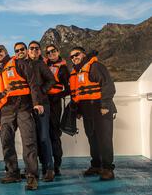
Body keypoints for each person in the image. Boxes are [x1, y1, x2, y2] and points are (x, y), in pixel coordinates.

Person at [0, 43, 43, 190]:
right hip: (5, 112)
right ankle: (12, 173)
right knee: (6, 142)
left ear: (5, 51)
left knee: (29, 142)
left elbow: (33, 84)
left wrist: (37, 103)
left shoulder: (19, 64)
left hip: (23, 108)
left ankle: (32, 176)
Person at [69, 47, 116, 180]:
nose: (74, 58)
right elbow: (78, 94)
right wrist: (78, 110)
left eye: (76, 54)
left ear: (83, 54)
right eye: (71, 57)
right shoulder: (77, 72)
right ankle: (96, 165)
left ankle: (107, 168)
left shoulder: (95, 66)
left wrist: (105, 105)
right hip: (87, 110)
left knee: (105, 139)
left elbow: (108, 85)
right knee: (92, 139)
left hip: (101, 108)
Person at [26, 41, 56, 181]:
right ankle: (35, 169)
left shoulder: (41, 64)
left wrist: (42, 92)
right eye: (31, 48)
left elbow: (51, 80)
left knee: (44, 137)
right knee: (33, 139)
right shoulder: (23, 64)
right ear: (27, 50)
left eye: (36, 49)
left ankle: (49, 168)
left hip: (43, 105)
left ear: (39, 51)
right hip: (27, 107)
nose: (33, 50)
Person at [44, 44, 70, 176]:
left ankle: (57, 164)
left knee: (54, 135)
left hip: (54, 104)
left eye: (53, 51)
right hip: (43, 102)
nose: (51, 54)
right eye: (48, 52)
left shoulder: (63, 69)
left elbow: (69, 89)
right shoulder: (43, 65)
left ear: (58, 51)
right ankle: (45, 164)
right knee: (43, 135)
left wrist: (57, 96)